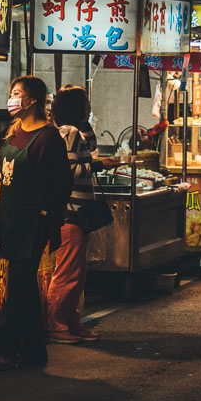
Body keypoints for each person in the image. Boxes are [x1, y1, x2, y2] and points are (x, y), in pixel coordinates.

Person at [0, 76, 73, 370]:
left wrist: (46, 213)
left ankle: (9, 348)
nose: (11, 99)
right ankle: (35, 350)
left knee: (19, 285)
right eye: (10, 93)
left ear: (32, 100)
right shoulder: (14, 131)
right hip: (10, 217)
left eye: (16, 94)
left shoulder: (48, 138)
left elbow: (63, 183)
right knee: (22, 286)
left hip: (32, 221)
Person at [44, 85, 117, 343]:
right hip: (71, 211)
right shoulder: (68, 133)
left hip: (78, 212)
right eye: (85, 103)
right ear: (77, 107)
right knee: (68, 273)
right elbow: (68, 171)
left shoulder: (74, 130)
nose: (89, 106)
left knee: (78, 272)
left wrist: (85, 122)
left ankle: (72, 323)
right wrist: (99, 165)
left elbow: (91, 145)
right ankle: (55, 325)